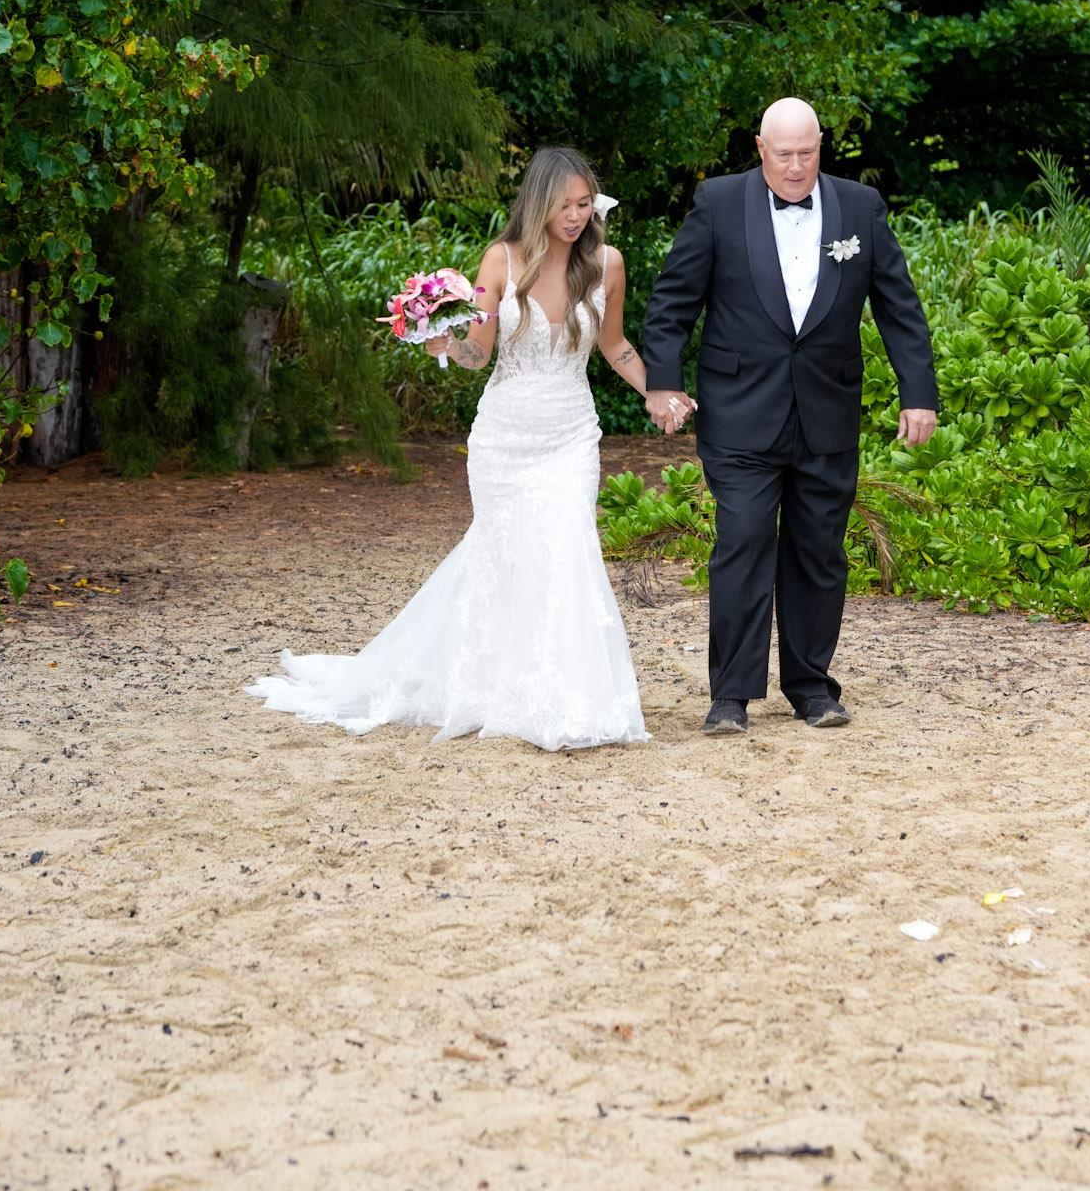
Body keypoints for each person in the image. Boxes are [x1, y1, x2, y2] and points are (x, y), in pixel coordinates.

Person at [247, 148, 680, 751]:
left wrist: (659, 391)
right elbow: (479, 352)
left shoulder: (607, 264)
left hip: (570, 435)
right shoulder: (499, 260)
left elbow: (614, 345)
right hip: (504, 437)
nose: (576, 216)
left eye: (585, 204)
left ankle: (569, 698)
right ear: (537, 203)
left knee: (567, 548)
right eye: (564, 205)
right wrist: (440, 343)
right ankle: (501, 685)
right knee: (506, 559)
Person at [642, 98, 938, 736]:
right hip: (742, 411)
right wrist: (662, 381)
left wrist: (919, 392)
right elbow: (672, 301)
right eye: (784, 154)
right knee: (744, 541)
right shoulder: (719, 203)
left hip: (827, 410)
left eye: (808, 152)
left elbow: (899, 307)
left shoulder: (859, 207)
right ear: (759, 148)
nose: (797, 166)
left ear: (821, 145)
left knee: (819, 552)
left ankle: (811, 687)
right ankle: (731, 696)